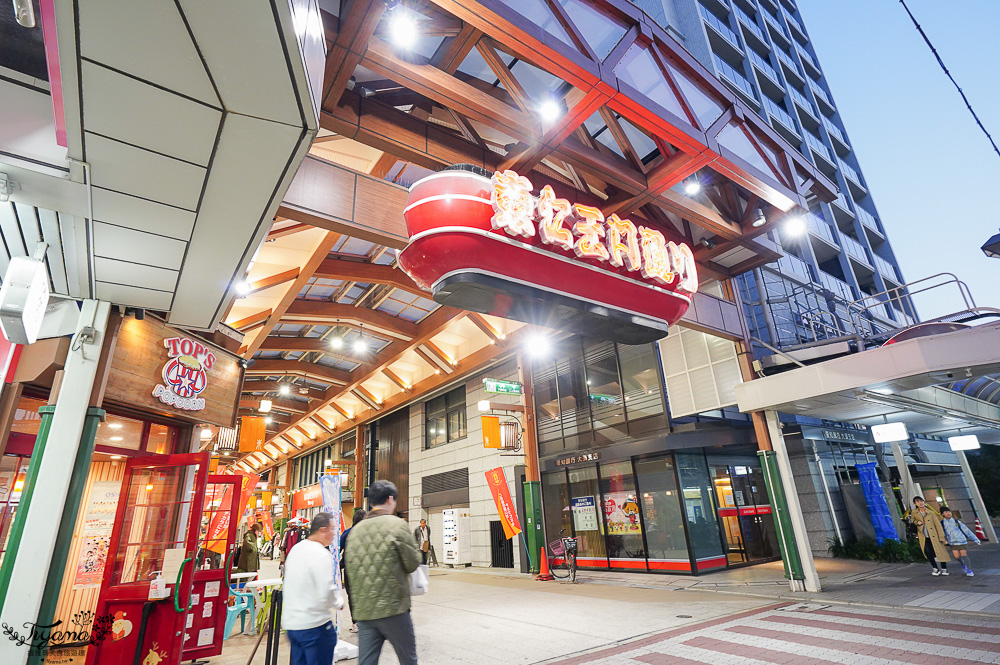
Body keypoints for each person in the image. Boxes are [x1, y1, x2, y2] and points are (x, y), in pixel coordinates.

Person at [346, 480, 422, 665]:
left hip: (364, 612)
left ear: (371, 502)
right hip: (393, 608)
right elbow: (413, 563)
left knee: (367, 662)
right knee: (408, 660)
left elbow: (349, 569)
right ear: (390, 499)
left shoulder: (354, 532)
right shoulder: (397, 525)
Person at [282, 512, 344, 665]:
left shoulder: (296, 549)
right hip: (315, 626)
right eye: (332, 529)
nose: (334, 533)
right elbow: (326, 590)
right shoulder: (321, 554)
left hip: (292, 626)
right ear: (322, 530)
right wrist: (338, 602)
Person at [909, 496, 950, 576]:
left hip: (934, 535)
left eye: (921, 501)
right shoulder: (914, 512)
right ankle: (935, 568)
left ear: (924, 502)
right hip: (923, 536)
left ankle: (944, 568)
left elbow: (937, 525)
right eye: (917, 501)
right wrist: (917, 522)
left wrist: (941, 536)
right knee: (927, 551)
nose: (920, 503)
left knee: (939, 551)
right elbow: (912, 520)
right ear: (915, 504)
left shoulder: (930, 512)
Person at [340, 509, 366, 633]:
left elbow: (339, 549)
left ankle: (355, 623)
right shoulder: (369, 533)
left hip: (350, 569)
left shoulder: (346, 533)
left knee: (352, 597)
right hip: (366, 570)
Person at [939, 506, 981, 576]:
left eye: (949, 512)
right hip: (952, 542)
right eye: (946, 512)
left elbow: (966, 530)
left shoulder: (956, 521)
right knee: (957, 557)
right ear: (942, 514)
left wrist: (975, 539)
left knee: (964, 554)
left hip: (961, 540)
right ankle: (963, 564)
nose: (948, 513)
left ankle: (969, 570)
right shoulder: (942, 523)